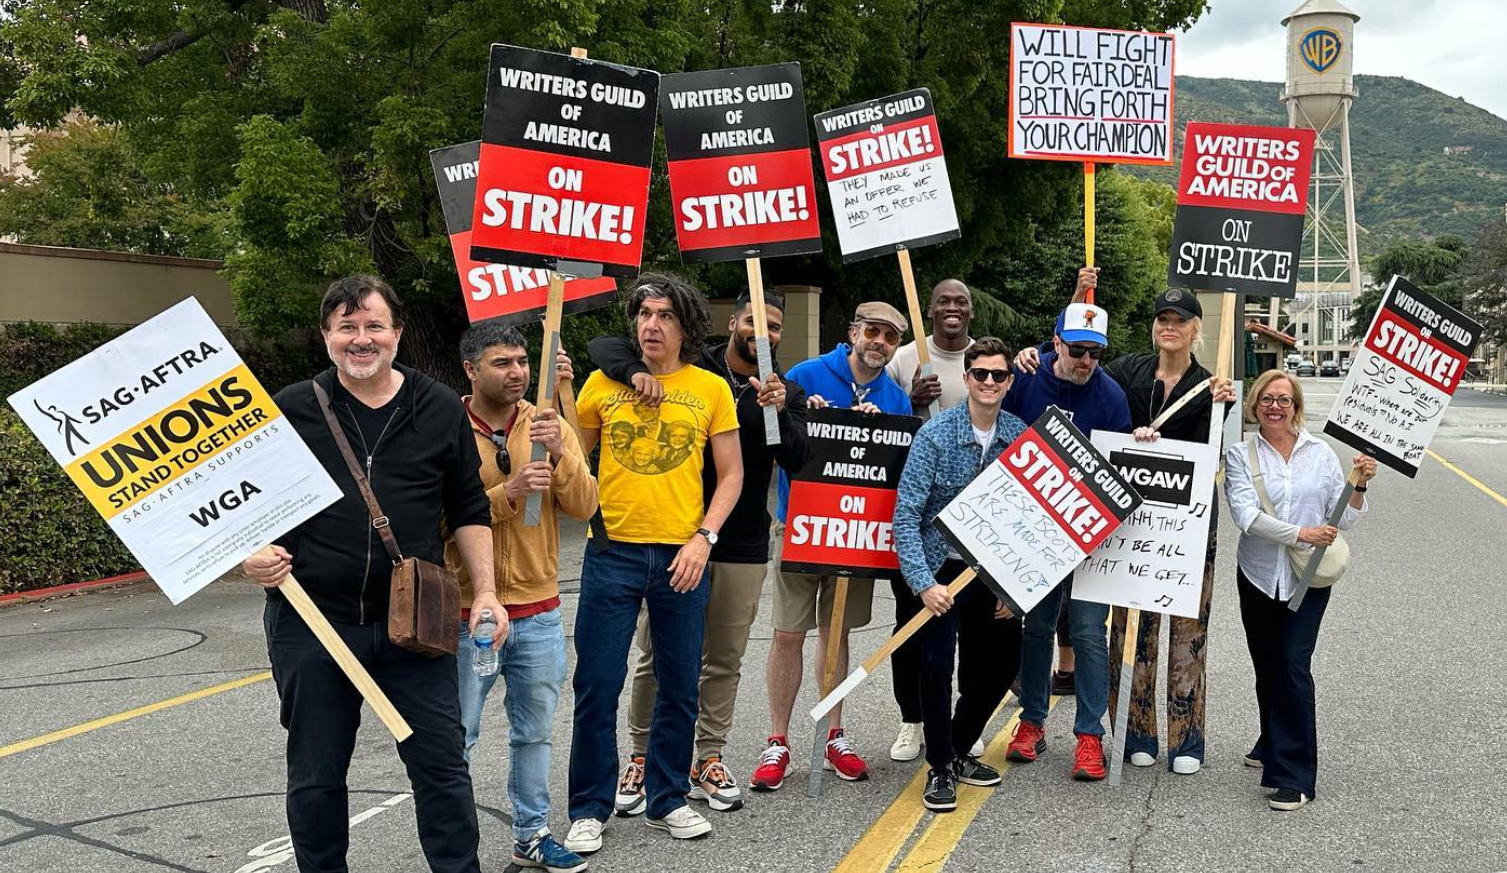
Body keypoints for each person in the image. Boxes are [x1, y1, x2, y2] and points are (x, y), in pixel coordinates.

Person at [242, 275, 497, 873]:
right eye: (347, 327)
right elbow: (246, 507)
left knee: (441, 766)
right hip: (312, 622)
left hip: (415, 624)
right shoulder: (291, 408)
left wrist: (486, 592)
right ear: (326, 336)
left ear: (397, 334)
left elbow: (469, 508)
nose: (362, 339)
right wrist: (250, 557)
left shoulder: (439, 406)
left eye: (374, 326)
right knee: (316, 775)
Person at [589, 287, 810, 817]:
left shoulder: (785, 390)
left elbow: (799, 460)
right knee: (656, 658)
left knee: (724, 659)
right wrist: (632, 373)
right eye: (754, 321)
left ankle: (707, 756)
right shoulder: (696, 365)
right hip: (672, 534)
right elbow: (605, 347)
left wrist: (779, 412)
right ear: (731, 322)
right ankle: (641, 756)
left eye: (774, 327)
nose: (763, 334)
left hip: (740, 540)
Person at [1015, 276, 1235, 775]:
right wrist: (1034, 352)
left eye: (1180, 321)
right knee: (1132, 633)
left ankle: (1185, 739)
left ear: (1196, 329)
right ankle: (1134, 729)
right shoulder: (1123, 373)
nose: (1170, 327)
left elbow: (1212, 454)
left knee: (1186, 632)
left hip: (1180, 525)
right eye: (1163, 319)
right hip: (1110, 522)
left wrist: (1223, 401)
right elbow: (1072, 349)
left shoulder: (1210, 386)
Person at [565, 273, 743, 853]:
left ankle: (667, 799)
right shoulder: (601, 382)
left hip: (681, 555)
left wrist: (704, 538)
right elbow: (574, 463)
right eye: (644, 314)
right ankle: (589, 807)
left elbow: (732, 475)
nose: (652, 325)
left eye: (665, 315)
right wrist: (561, 406)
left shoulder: (710, 389)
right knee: (597, 683)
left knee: (680, 684)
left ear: (686, 326)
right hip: (610, 552)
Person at [446, 322, 598, 872]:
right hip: (467, 613)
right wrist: (506, 494)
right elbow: (435, 519)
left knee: (534, 735)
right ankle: (453, 848)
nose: (517, 373)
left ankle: (532, 834)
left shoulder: (546, 421)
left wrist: (561, 455)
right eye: (502, 363)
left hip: (538, 611)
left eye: (522, 361)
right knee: (456, 737)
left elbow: (586, 505)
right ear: (471, 369)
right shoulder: (445, 426)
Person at [752, 301, 913, 791]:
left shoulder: (896, 399)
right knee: (787, 634)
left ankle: (833, 735)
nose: (879, 342)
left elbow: (898, 470)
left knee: (836, 633)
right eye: (872, 331)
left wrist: (876, 428)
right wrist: (805, 415)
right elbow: (774, 443)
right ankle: (777, 740)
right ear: (853, 332)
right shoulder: (805, 374)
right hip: (801, 524)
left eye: (890, 337)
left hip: (855, 534)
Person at [1223, 370, 1376, 811]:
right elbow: (1246, 516)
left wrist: (1359, 484)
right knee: (1267, 665)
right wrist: (1301, 533)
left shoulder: (1320, 453)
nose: (1275, 407)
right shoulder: (1241, 454)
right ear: (1255, 404)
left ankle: (1294, 776)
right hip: (1257, 575)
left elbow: (1342, 517)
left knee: (1292, 664)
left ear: (1296, 406)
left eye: (1284, 400)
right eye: (1267, 399)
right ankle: (1271, 739)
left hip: (1307, 578)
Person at [1000, 276, 1131, 782]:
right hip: (1034, 529)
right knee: (1036, 627)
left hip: (1089, 532)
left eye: (1095, 353)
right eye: (1077, 350)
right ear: (1055, 343)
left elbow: (1121, 466)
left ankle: (1089, 735)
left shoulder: (1111, 396)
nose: (1086, 361)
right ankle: (1031, 721)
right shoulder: (1026, 378)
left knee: (1088, 632)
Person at [892, 337, 1027, 812]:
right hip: (941, 568)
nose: (989, 381)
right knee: (935, 666)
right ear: (967, 378)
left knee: (1002, 664)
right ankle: (939, 766)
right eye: (980, 373)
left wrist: (1014, 587)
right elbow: (906, 515)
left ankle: (957, 747)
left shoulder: (1020, 438)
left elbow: (1030, 520)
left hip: (991, 571)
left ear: (1009, 382)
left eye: (998, 375)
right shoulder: (935, 435)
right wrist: (923, 584)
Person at [883, 279, 976, 764]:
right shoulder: (905, 360)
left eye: (961, 301)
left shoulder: (982, 361)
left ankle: (961, 723)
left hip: (974, 526)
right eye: (943, 301)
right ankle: (912, 720)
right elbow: (881, 423)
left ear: (971, 311)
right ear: (931, 310)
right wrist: (912, 400)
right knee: (911, 626)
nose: (952, 308)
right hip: (921, 522)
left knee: (967, 635)